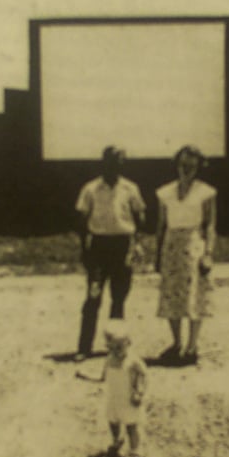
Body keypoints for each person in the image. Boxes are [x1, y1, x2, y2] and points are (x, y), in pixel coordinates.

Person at [74, 146, 146, 361]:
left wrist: (137, 243)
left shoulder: (130, 188)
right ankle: (84, 347)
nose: (115, 166)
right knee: (93, 297)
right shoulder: (90, 189)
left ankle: (116, 346)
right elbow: (81, 219)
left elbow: (139, 216)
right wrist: (85, 248)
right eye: (111, 161)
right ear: (103, 162)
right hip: (98, 248)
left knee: (119, 297)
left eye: (120, 161)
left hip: (122, 246)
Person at [155, 145, 217, 365]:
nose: (186, 169)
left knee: (194, 296)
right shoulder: (165, 193)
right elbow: (160, 226)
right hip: (171, 247)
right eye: (183, 164)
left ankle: (192, 346)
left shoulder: (206, 192)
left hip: (194, 245)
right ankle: (176, 343)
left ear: (198, 166)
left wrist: (208, 253)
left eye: (191, 165)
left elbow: (209, 225)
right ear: (177, 164)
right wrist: (157, 255)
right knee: (172, 295)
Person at [76, 319, 148, 457]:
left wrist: (139, 392)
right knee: (113, 421)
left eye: (120, 347)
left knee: (131, 426)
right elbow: (102, 377)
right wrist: (86, 376)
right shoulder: (109, 359)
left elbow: (143, 375)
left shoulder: (133, 361)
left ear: (129, 342)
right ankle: (116, 441)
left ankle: (136, 451)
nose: (116, 351)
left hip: (128, 399)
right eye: (112, 348)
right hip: (114, 399)